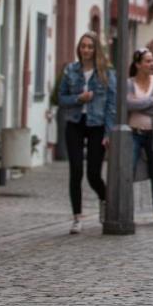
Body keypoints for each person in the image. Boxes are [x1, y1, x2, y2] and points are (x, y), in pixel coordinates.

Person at [57, 32, 116, 234]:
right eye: (83, 46)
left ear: (96, 49)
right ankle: (77, 217)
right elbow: (61, 98)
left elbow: (111, 105)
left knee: (93, 174)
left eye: (90, 46)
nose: (86, 50)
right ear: (79, 48)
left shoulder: (106, 73)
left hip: (96, 125)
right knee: (75, 170)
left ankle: (106, 199)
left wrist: (109, 132)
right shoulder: (70, 71)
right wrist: (78, 99)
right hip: (75, 122)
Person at [106, 48, 153, 222]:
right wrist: (151, 101)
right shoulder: (129, 83)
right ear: (138, 64)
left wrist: (139, 104)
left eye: (152, 61)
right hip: (134, 134)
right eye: (148, 61)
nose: (152, 64)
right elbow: (127, 104)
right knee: (129, 170)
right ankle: (128, 209)